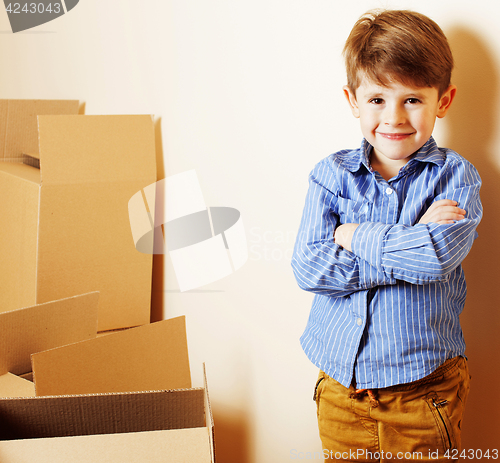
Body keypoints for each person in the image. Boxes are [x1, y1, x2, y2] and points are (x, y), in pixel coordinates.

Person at [291, 9, 482, 462]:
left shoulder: (457, 178)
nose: (393, 117)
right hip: (342, 390)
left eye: (412, 99)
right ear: (353, 99)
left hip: (422, 393)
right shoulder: (331, 176)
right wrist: (409, 239)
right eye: (377, 99)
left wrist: (355, 235)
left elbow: (433, 258)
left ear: (444, 99)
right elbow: (310, 267)